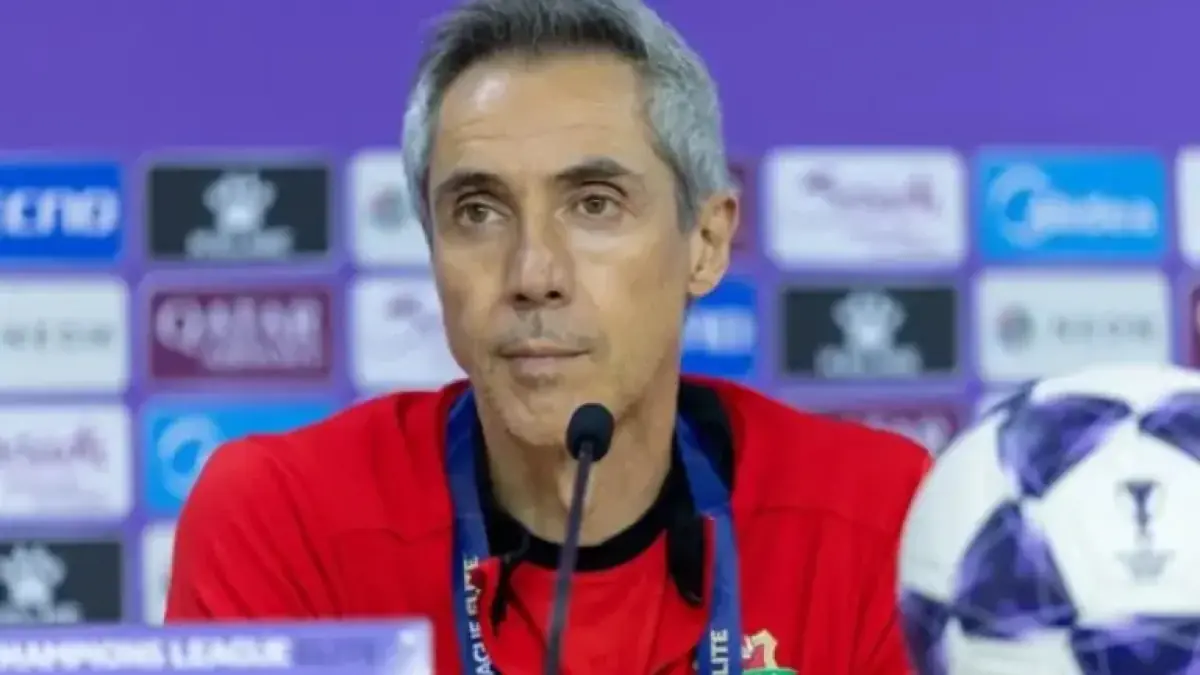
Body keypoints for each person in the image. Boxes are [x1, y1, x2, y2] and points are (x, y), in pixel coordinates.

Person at [165, 0, 931, 673]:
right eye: (478, 212)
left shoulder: (874, 515)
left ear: (705, 242)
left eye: (595, 204)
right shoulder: (285, 518)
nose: (533, 273)